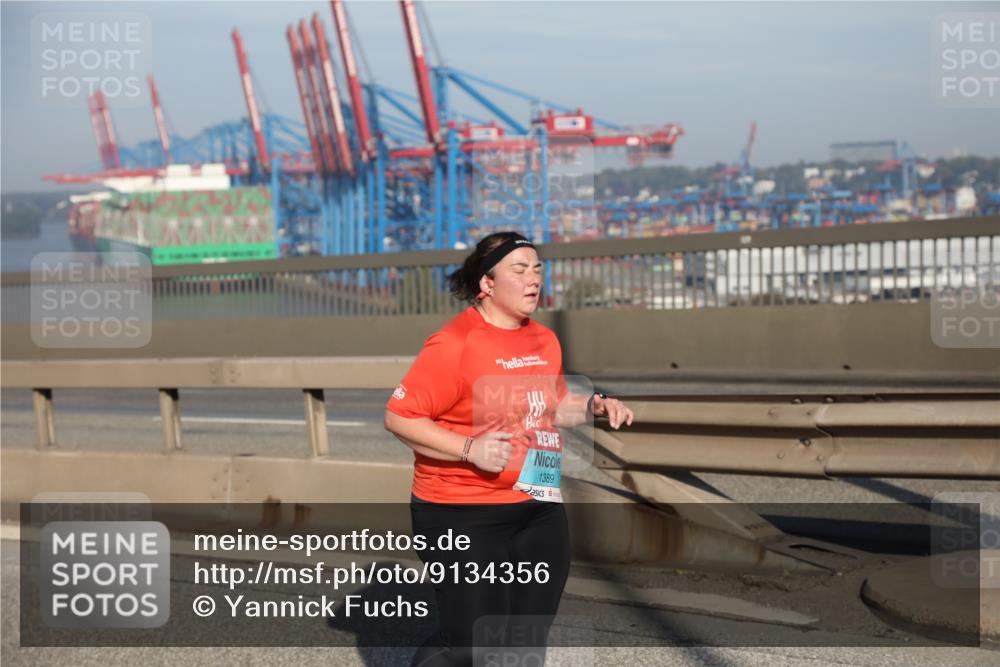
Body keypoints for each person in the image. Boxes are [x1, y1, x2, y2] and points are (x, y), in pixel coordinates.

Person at [383, 231, 634, 666]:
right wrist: (469, 449)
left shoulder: (543, 340)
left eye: (537, 269)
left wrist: (593, 406)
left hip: (537, 507)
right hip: (461, 514)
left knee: (524, 639)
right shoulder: (454, 343)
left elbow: (549, 406)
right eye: (519, 270)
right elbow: (399, 417)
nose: (533, 278)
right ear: (488, 283)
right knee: (469, 645)